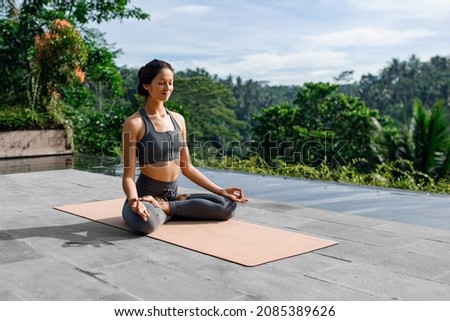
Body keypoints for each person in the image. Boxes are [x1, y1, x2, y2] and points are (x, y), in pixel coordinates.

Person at [121, 59, 248, 234]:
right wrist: (134, 201)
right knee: (146, 223)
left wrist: (220, 190)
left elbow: (186, 167)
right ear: (146, 85)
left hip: (171, 196)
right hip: (143, 197)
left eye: (171, 83)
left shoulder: (178, 120)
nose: (167, 88)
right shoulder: (134, 123)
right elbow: (128, 175)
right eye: (161, 83)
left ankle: (167, 207)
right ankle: (172, 208)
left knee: (228, 205)